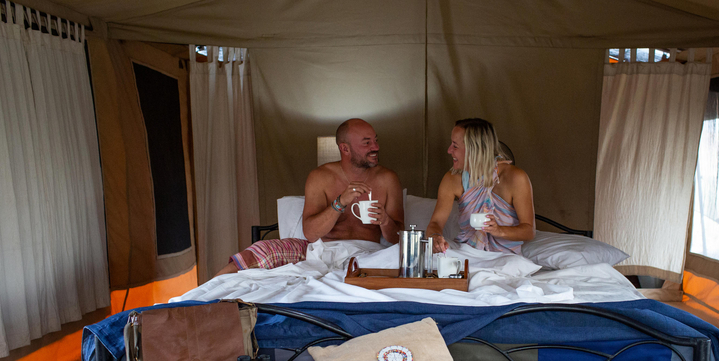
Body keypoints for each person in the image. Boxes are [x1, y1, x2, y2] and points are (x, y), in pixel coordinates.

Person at [214, 118, 404, 276]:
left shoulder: (388, 179)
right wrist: (339, 203)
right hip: (320, 251)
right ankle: (204, 295)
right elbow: (311, 233)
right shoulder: (320, 177)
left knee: (403, 260)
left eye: (375, 140)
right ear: (345, 149)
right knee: (263, 249)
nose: (376, 147)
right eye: (367, 142)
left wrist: (385, 221)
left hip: (369, 254)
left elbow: (398, 239)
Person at [425, 118, 535, 254]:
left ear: (474, 149)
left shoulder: (515, 178)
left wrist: (498, 230)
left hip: (504, 258)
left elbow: (529, 231)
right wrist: (435, 237)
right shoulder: (452, 179)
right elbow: (435, 222)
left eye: (455, 145)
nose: (449, 150)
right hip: (468, 253)